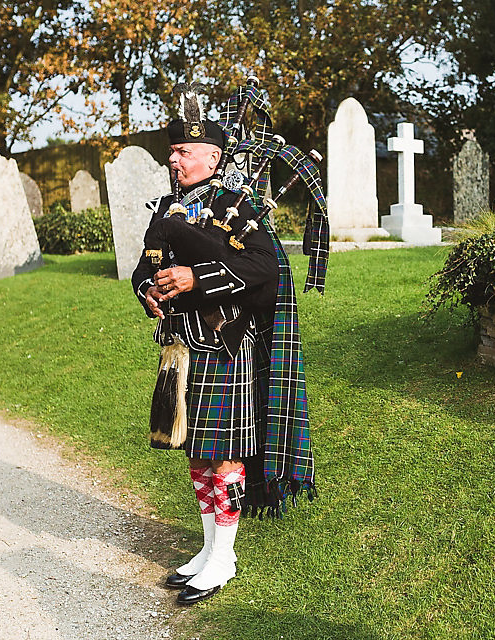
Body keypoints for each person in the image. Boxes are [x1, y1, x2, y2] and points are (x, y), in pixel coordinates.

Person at [131, 85, 316, 606]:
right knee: (196, 452)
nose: (173, 159)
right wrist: (148, 289)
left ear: (213, 156)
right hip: (180, 347)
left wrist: (196, 278)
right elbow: (143, 267)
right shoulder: (168, 206)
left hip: (225, 347)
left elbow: (266, 271)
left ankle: (225, 557)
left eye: (184, 152)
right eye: (171, 152)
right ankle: (211, 548)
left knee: (224, 457)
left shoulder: (238, 203)